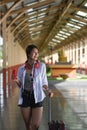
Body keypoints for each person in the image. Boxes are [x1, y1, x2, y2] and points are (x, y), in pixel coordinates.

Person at [14, 44, 53, 130]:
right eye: (34, 52)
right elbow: (21, 85)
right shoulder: (21, 69)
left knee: (35, 125)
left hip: (38, 97)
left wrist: (47, 90)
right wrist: (16, 80)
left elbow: (44, 82)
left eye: (37, 52)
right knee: (28, 125)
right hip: (25, 97)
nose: (36, 54)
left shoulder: (41, 66)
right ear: (28, 54)